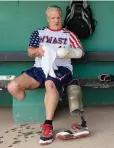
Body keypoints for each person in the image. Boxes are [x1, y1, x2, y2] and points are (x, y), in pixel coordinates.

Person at [7, 5, 89, 145]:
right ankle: (36, 95)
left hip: (61, 68)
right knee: (12, 86)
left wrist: (67, 52)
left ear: (61, 17)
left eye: (58, 17)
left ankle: (47, 125)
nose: (56, 21)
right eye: (52, 18)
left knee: (50, 83)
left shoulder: (68, 34)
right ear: (47, 18)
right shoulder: (39, 33)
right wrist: (37, 51)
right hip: (40, 67)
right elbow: (30, 50)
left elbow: (81, 51)